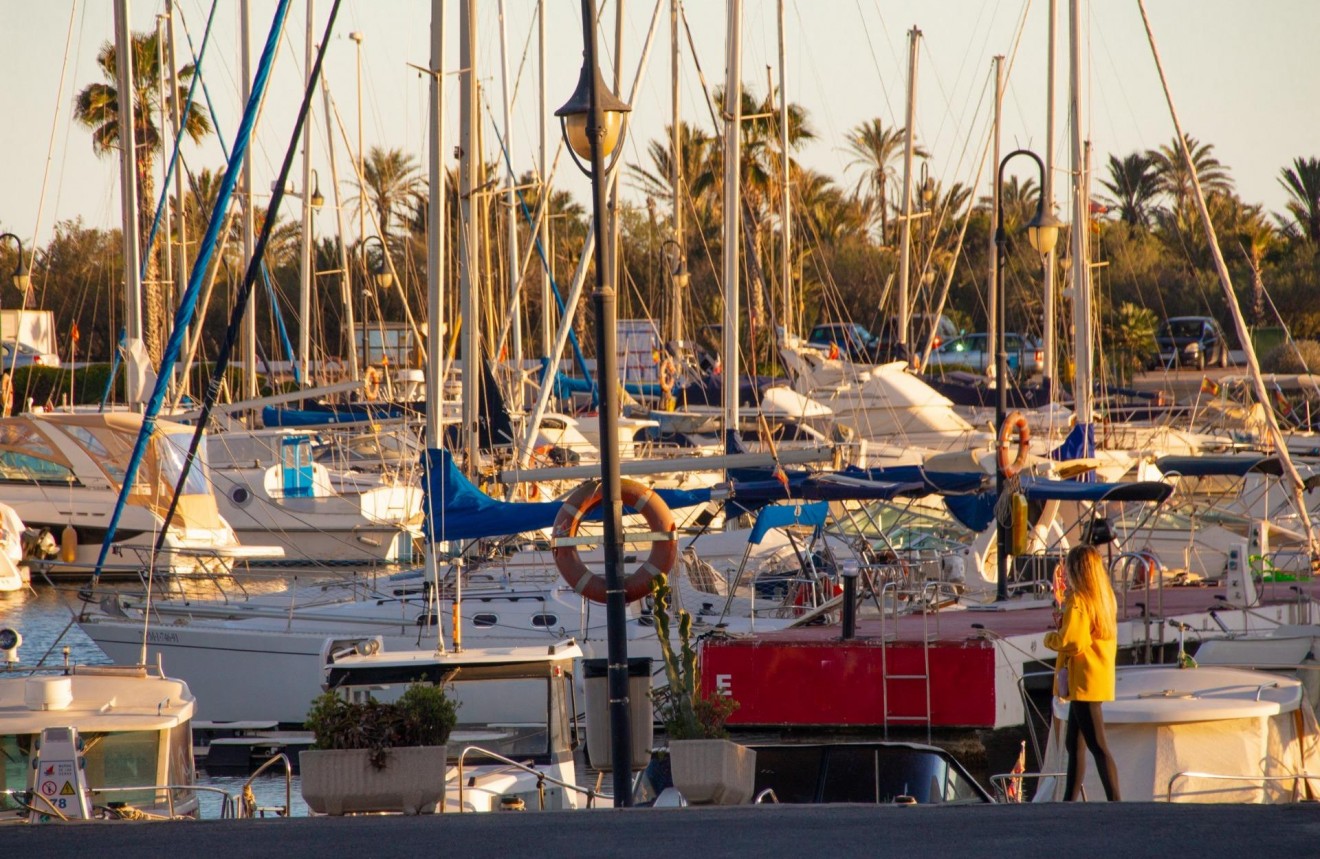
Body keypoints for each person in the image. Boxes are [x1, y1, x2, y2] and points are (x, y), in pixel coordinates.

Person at [1045, 545, 1121, 801]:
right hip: (1097, 676)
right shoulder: (1104, 597)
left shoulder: (1078, 600)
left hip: (1083, 679)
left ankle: (1115, 801)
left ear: (1076, 569)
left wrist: (1050, 639)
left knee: (1097, 746)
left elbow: (1072, 641)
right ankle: (1069, 800)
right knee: (1074, 743)